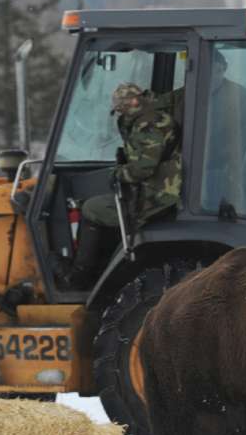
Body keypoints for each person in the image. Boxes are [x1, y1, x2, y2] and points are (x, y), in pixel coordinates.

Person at [59, 82, 182, 289]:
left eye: (121, 109)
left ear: (133, 102)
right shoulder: (151, 117)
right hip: (156, 190)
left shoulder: (149, 124)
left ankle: (79, 277)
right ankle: (97, 269)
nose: (120, 114)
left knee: (91, 209)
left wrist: (118, 174)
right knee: (100, 203)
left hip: (158, 195)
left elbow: (144, 168)